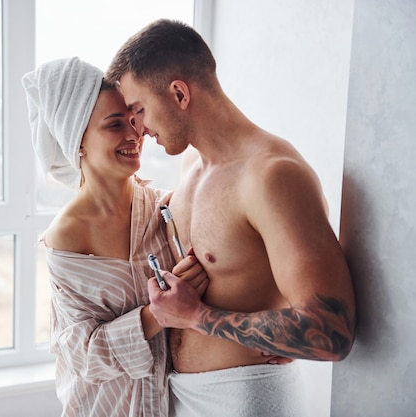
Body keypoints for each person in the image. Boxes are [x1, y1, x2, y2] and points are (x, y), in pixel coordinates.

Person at [106, 19, 357, 417]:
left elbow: (333, 332)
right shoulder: (191, 163)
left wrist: (196, 316)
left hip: (247, 400)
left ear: (178, 93)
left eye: (139, 110)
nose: (138, 128)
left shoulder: (272, 176)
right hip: (181, 395)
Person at [22, 57, 209, 417]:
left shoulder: (164, 209)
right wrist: (158, 314)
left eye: (133, 119)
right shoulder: (67, 236)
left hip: (175, 404)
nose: (134, 134)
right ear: (78, 143)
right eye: (114, 124)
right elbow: (84, 356)